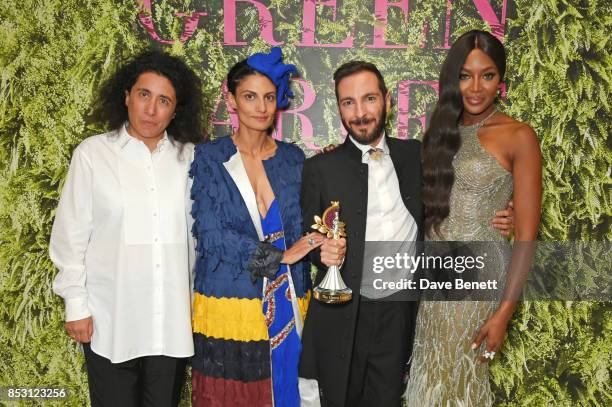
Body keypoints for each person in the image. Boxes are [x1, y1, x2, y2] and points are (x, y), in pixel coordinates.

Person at [298, 60, 515, 407]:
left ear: (386, 99)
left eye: (369, 99)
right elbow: (308, 237)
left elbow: (463, 195)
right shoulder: (319, 168)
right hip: (342, 314)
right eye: (348, 102)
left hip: (399, 311)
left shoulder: (418, 154)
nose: (360, 112)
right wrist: (318, 251)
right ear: (337, 107)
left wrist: (507, 211)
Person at [189, 47, 345, 407]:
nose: (260, 107)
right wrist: (280, 255)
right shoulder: (210, 157)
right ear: (231, 99)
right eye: (249, 96)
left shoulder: (293, 159)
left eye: (268, 97)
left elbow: (311, 224)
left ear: (278, 102)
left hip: (289, 301)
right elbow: (212, 237)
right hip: (232, 303)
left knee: (290, 391)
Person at [50, 50, 204, 406]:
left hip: (171, 320)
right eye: (144, 95)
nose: (151, 110)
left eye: (163, 100)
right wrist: (76, 303)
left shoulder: (190, 158)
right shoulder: (92, 155)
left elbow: (199, 238)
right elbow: (70, 235)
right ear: (126, 96)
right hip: (111, 318)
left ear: (176, 109)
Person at [405, 30, 542, 406]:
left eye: (488, 75)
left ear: (502, 80)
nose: (476, 87)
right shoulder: (439, 130)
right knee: (430, 375)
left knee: (457, 380)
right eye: (466, 75)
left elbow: (528, 237)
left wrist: (504, 314)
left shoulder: (518, 135)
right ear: (453, 79)